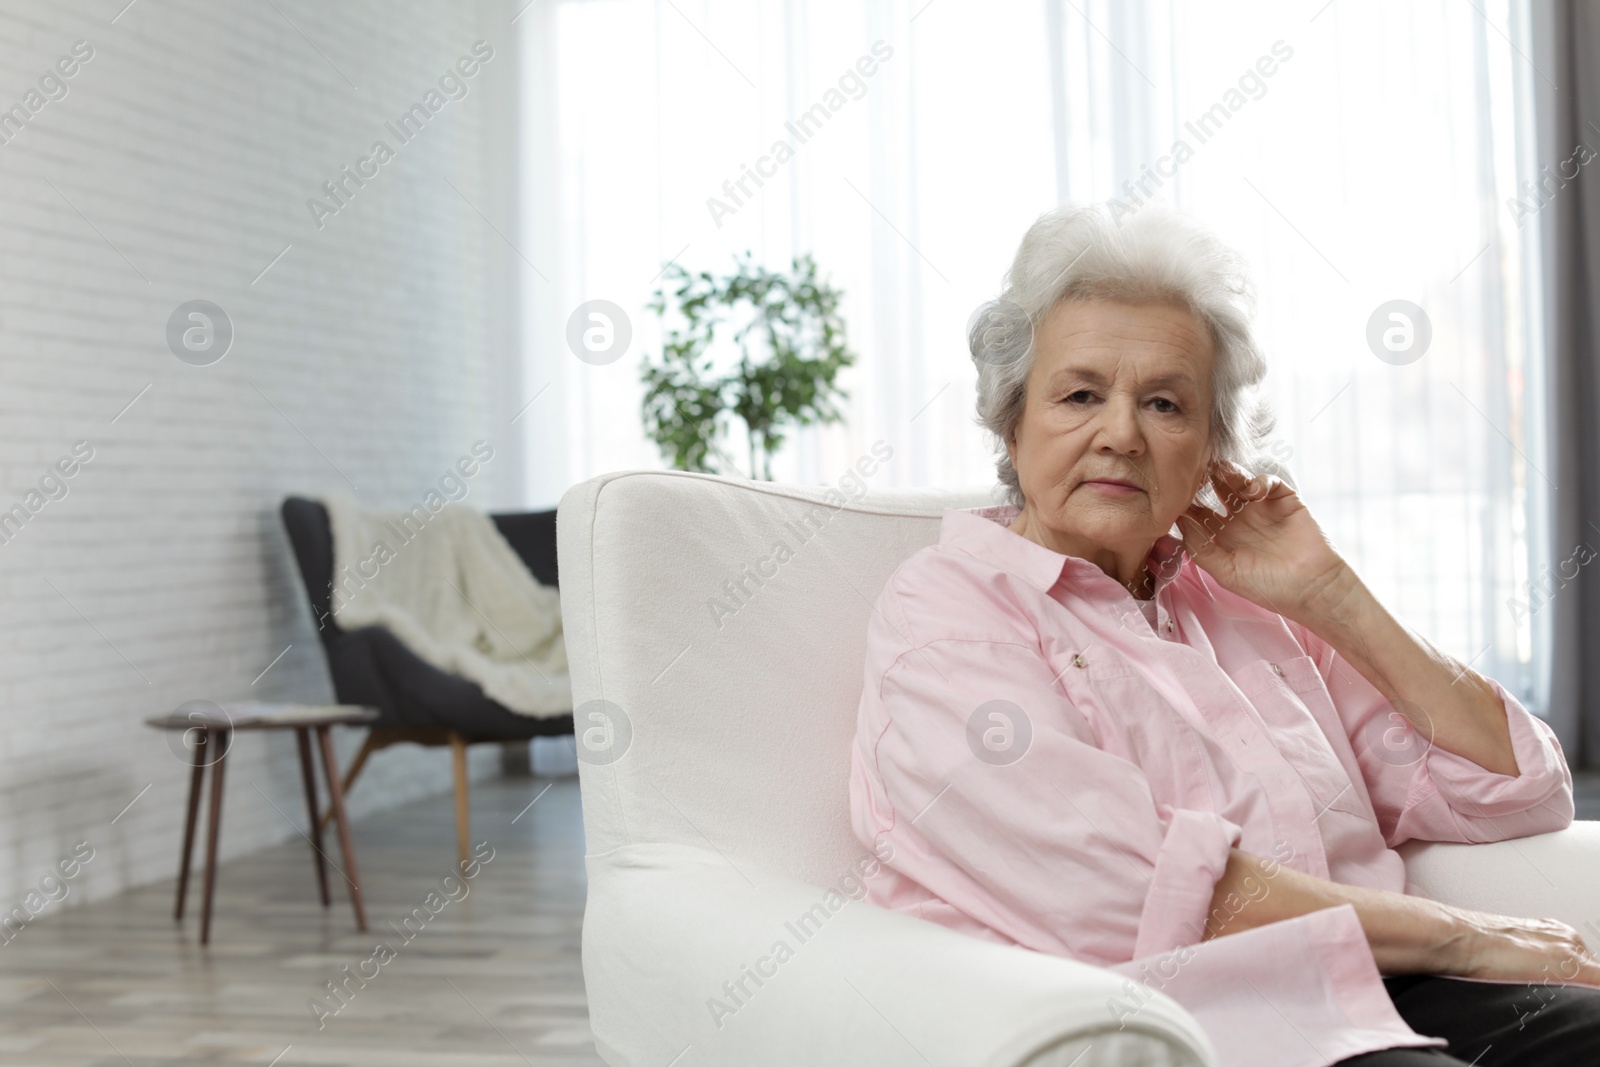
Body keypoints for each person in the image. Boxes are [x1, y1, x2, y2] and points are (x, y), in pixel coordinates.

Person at [848, 202, 1600, 1067]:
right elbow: (1124, 882)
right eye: (1081, 393)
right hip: (1192, 1015)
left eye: (1165, 403)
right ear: (1012, 423)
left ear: (1211, 450)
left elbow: (1516, 789)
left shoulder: (1245, 605)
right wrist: (1461, 936)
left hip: (1385, 985)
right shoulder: (948, 615)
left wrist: (1334, 596)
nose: (1122, 433)